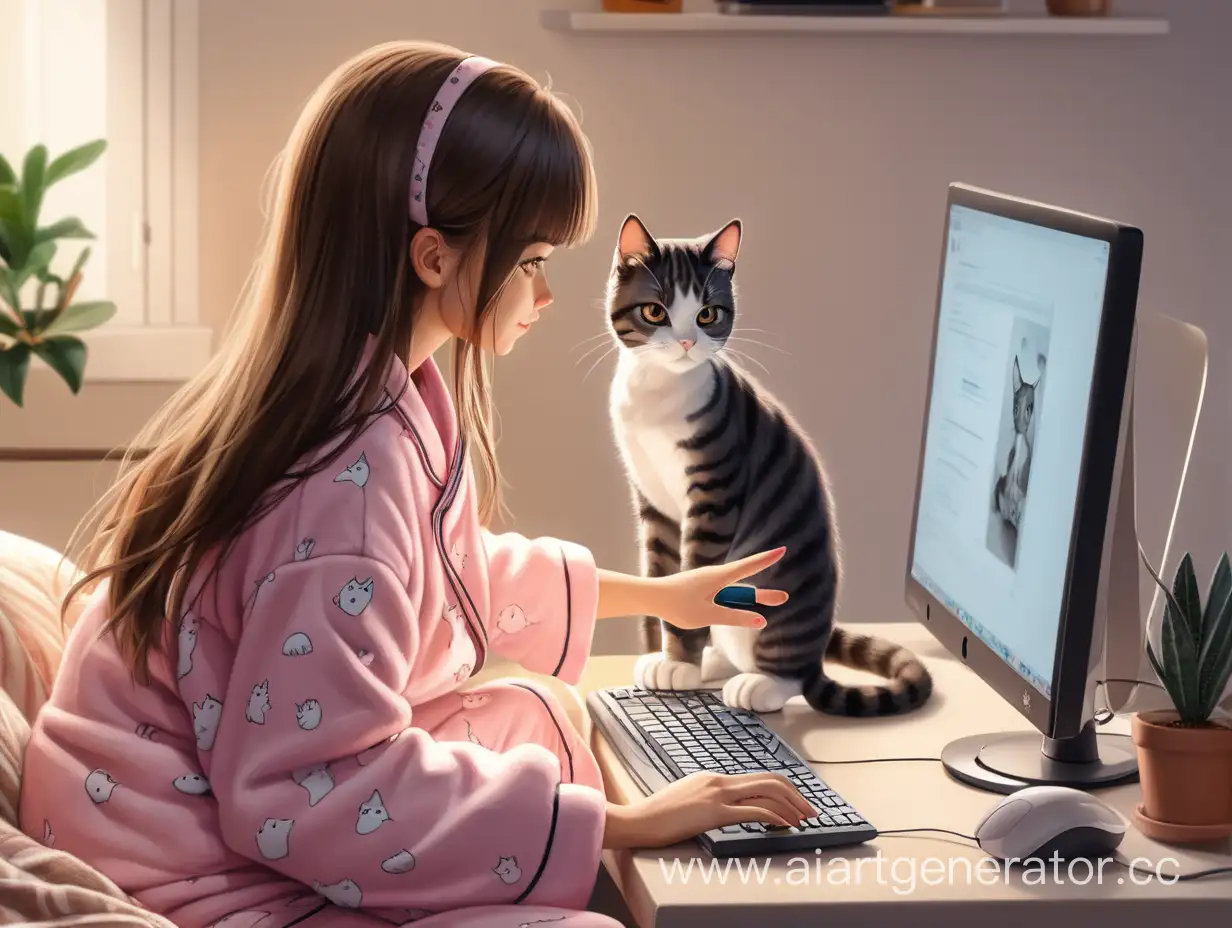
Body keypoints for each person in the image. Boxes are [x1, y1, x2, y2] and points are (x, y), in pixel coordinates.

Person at [18, 41, 815, 928]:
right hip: (181, 871)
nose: (546, 294)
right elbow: (301, 789)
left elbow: (444, 576)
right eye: (532, 260)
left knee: (541, 719)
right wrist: (624, 827)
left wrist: (669, 595)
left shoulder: (365, 404)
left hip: (164, 809)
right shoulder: (340, 485)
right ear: (434, 258)